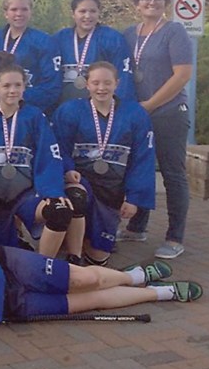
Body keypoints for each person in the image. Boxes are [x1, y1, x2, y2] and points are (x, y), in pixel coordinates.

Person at [0, 200, 202, 341]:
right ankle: (163, 293)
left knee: (84, 278)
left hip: (8, 267)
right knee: (90, 301)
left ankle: (136, 276)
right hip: (8, 306)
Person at [0, 52, 79, 259]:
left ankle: (43, 268)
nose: (12, 90)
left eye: (17, 85)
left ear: (24, 87)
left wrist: (52, 190)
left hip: (23, 194)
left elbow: (50, 156)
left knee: (59, 210)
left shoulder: (35, 117)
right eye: (6, 86)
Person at [117, 0, 194, 260]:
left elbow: (182, 74)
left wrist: (150, 104)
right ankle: (138, 227)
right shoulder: (129, 34)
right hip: (139, 115)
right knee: (140, 170)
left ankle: (175, 237)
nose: (153, 3)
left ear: (166, 3)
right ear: (137, 4)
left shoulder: (174, 31)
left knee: (173, 174)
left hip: (169, 113)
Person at [53, 62, 156, 266]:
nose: (102, 88)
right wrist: (68, 169)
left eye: (107, 82)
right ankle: (71, 252)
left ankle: (89, 245)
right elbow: (58, 149)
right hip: (82, 185)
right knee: (76, 196)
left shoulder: (135, 114)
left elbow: (142, 159)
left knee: (99, 256)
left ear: (117, 83)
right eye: (96, 82)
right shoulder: (70, 111)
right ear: (86, 84)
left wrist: (134, 198)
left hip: (111, 191)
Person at [0, 0, 62, 113]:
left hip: (29, 110)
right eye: (14, 9)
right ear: (5, 13)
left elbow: (51, 86)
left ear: (31, 11)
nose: (19, 14)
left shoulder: (44, 42)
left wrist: (16, 97)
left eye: (24, 9)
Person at [51, 0, 135, 110]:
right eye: (82, 11)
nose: (88, 16)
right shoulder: (59, 39)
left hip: (101, 109)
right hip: (65, 109)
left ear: (98, 13)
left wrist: (116, 108)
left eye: (93, 11)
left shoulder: (113, 39)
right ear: (73, 14)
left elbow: (123, 77)